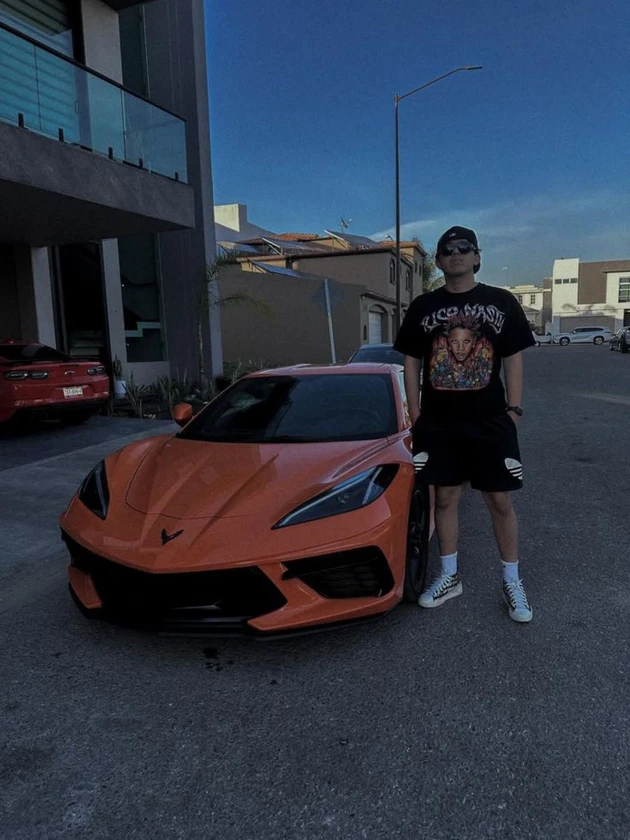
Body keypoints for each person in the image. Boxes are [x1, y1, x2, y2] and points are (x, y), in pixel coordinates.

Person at [393, 226, 535, 622]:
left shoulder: (501, 301)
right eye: (447, 249)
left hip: (490, 421)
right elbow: (411, 361)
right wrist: (416, 412)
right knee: (444, 499)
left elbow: (513, 357)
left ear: (476, 257)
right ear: (438, 261)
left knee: (499, 500)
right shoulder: (423, 306)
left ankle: (512, 581)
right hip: (439, 423)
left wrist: (514, 410)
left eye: (463, 248)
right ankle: (450, 576)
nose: (455, 253)